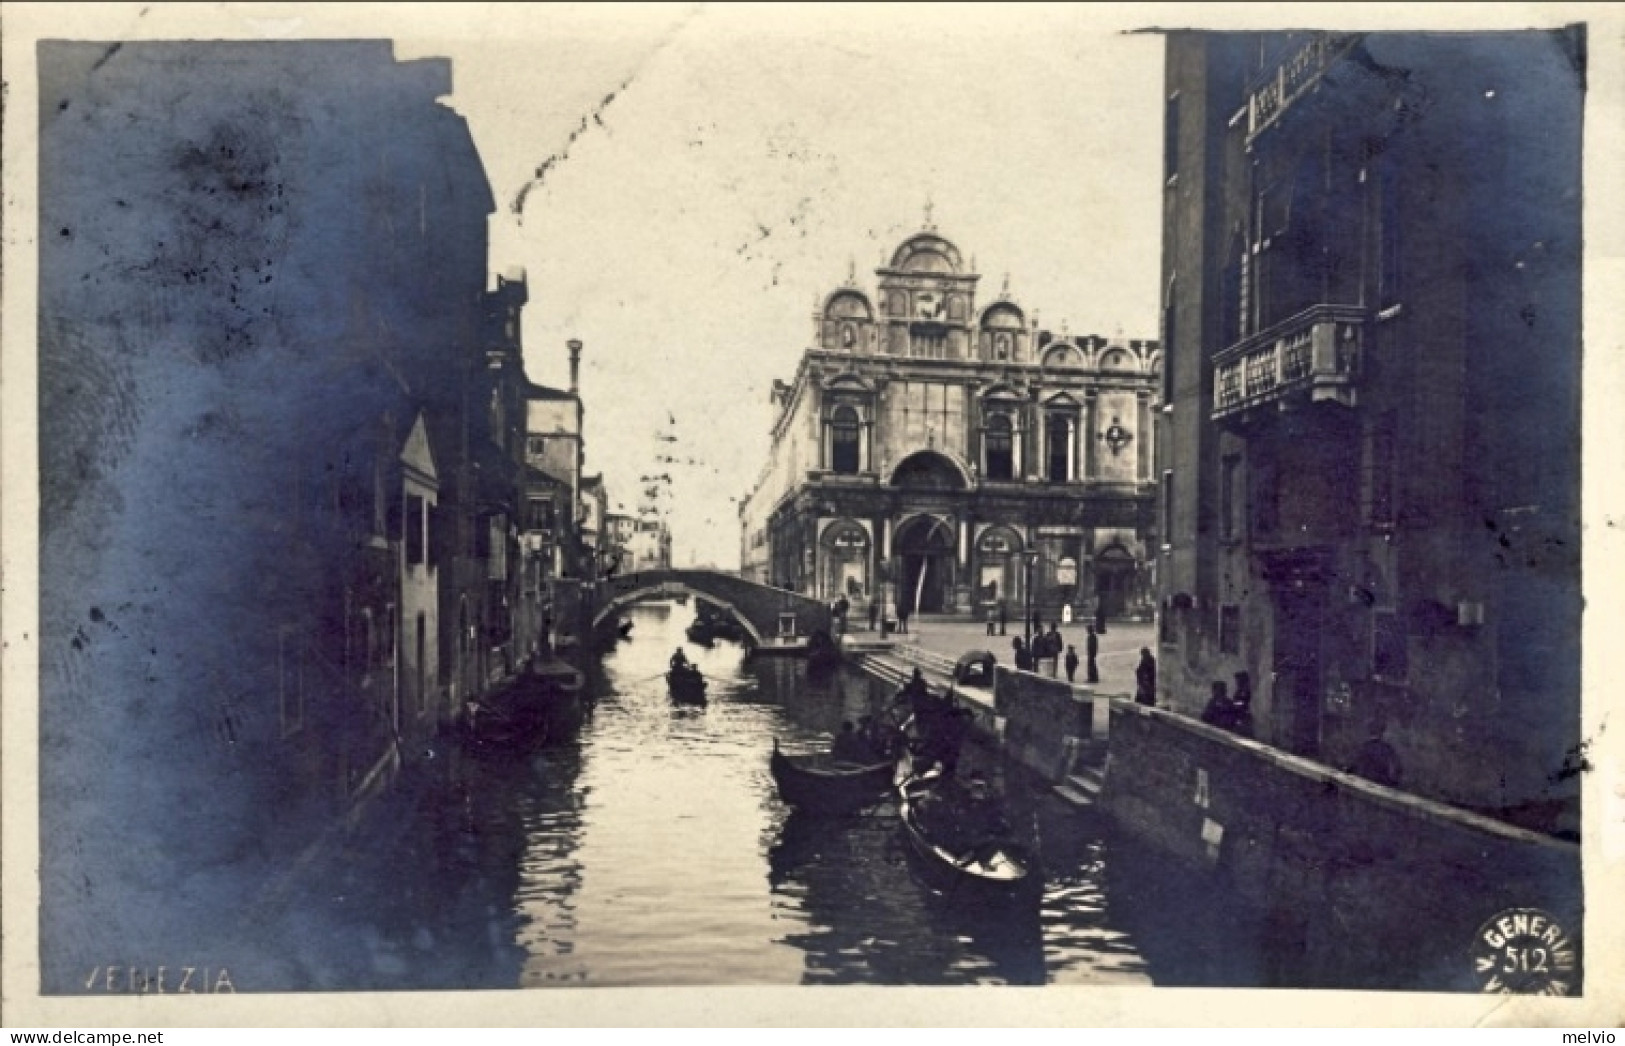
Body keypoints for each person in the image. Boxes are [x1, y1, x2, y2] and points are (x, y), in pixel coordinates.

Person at [1350, 720, 1403, 788]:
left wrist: (1349, 771)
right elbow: (1397, 767)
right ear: (1382, 733)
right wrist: (1394, 782)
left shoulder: (1364, 746)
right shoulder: (1388, 748)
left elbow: (1355, 763)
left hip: (1366, 781)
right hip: (1382, 783)